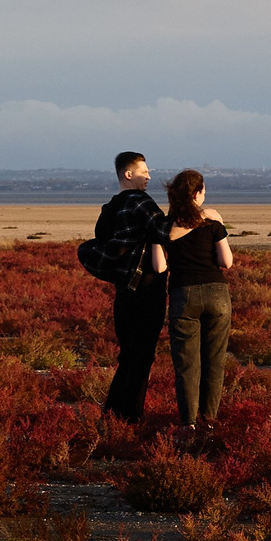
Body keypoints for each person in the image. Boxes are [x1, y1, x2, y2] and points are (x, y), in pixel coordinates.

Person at [93, 152, 168, 426]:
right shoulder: (140, 202)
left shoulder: (110, 209)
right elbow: (165, 232)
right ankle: (130, 418)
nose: (149, 176)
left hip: (123, 290)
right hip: (147, 289)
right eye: (144, 172)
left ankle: (113, 415)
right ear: (128, 174)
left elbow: (102, 243)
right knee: (142, 356)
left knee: (128, 355)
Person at [160, 168, 233, 444]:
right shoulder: (213, 222)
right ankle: (209, 422)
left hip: (183, 295)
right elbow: (226, 262)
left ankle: (188, 424)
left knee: (187, 364)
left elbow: (161, 264)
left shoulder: (166, 227)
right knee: (215, 361)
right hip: (217, 293)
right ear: (198, 193)